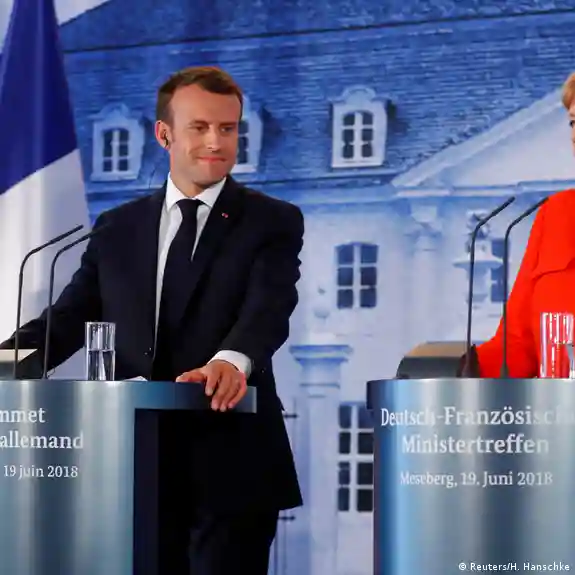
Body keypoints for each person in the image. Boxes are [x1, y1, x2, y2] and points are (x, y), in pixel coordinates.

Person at [0, 66, 304, 573]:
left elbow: (269, 307)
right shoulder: (117, 227)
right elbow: (67, 319)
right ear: (164, 135)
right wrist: (5, 363)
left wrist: (232, 360)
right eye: (200, 127)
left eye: (228, 128)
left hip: (231, 463)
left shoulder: (271, 220)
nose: (216, 142)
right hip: (129, 465)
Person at [462, 70, 575, 379]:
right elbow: (516, 343)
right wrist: (462, 373)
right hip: (559, 407)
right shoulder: (555, 215)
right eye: (573, 123)